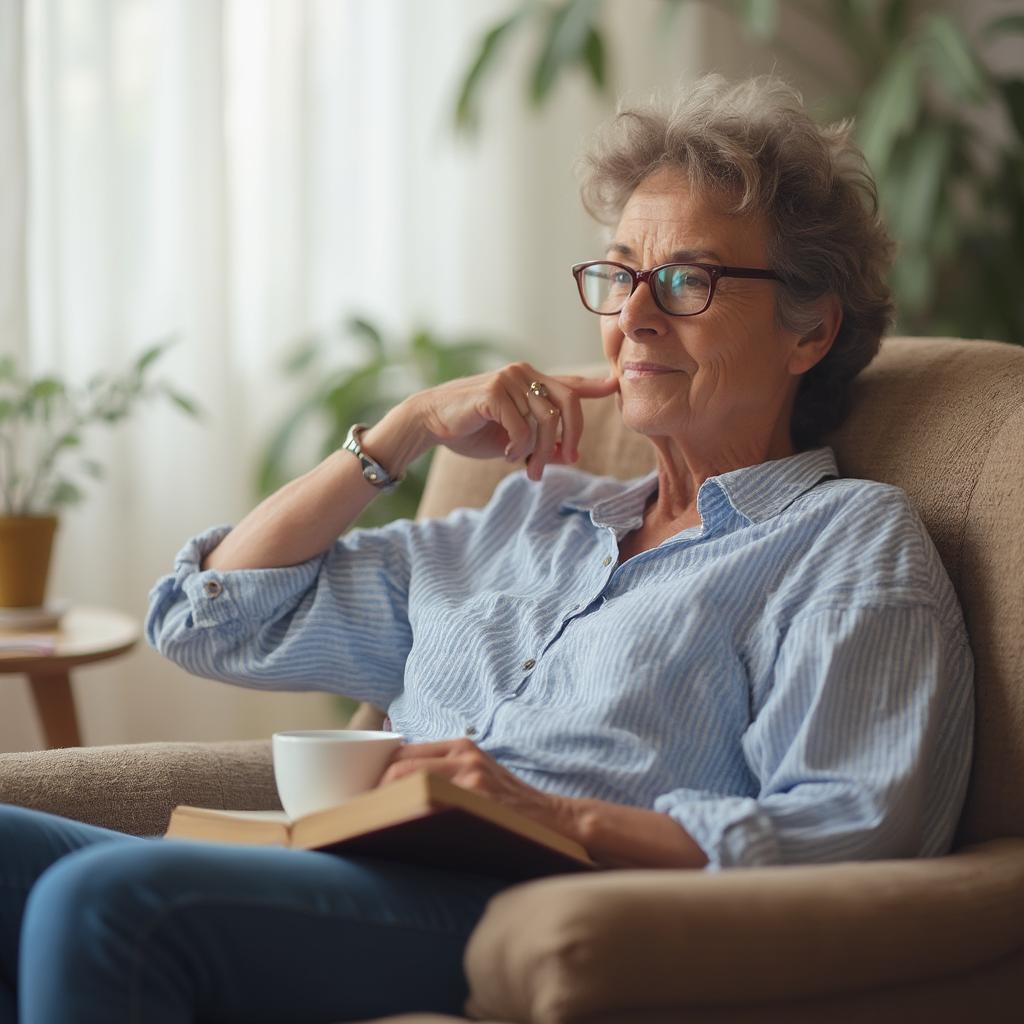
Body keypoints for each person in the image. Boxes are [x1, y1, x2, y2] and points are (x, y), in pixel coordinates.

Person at [0, 75, 973, 1023]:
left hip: (529, 906)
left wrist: (551, 815)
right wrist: (404, 429)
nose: (632, 314)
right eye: (619, 273)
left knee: (108, 906)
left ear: (808, 329)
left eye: (685, 279)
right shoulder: (533, 517)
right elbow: (208, 619)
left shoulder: (845, 541)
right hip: (353, 866)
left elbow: (847, 828)